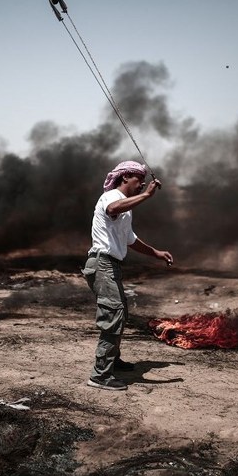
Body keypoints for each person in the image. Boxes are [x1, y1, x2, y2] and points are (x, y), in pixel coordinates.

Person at [82, 161, 173, 391]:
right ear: (125, 178)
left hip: (110, 265)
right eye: (138, 179)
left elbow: (130, 239)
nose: (142, 184)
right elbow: (113, 208)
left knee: (120, 313)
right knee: (113, 315)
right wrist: (147, 195)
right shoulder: (111, 197)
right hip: (102, 263)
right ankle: (100, 375)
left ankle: (113, 361)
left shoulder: (126, 208)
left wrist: (156, 253)